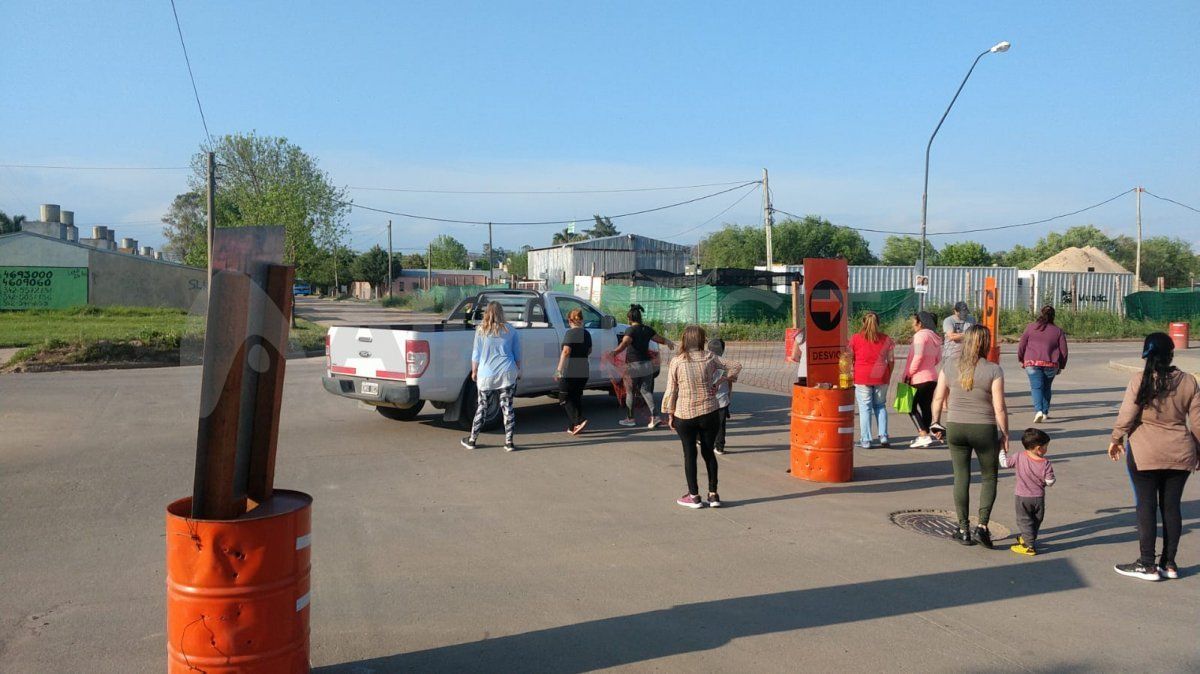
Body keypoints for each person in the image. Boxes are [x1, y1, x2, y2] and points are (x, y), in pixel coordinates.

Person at [1107, 333, 1200, 582]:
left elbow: (1127, 415)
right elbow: (1198, 423)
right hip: (1180, 453)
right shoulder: (1189, 381)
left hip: (1144, 454)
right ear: (1171, 354)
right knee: (1171, 508)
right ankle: (1169, 564)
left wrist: (1116, 439)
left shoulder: (1140, 380)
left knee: (1146, 506)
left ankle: (1147, 564)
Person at [931, 325, 1009, 547]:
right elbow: (999, 408)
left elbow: (938, 399)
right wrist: (1004, 434)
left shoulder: (949, 365)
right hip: (983, 428)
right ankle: (982, 527)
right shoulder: (994, 370)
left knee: (961, 477)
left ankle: (963, 528)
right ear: (985, 344)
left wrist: (935, 424)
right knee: (989, 477)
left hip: (955, 427)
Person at [662, 325, 741, 509]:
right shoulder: (710, 357)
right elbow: (736, 366)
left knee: (689, 454)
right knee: (708, 453)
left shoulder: (677, 361)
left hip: (685, 413)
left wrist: (669, 412)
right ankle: (713, 495)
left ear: (684, 340)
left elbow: (671, 390)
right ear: (702, 339)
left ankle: (694, 496)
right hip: (709, 411)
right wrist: (721, 380)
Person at [461, 301, 521, 452]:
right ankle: (509, 442)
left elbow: (476, 354)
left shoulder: (481, 330)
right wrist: (518, 371)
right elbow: (517, 355)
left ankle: (472, 440)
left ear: (487, 313)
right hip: (507, 372)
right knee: (507, 407)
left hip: (486, 374)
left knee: (482, 406)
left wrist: (474, 371)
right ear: (502, 313)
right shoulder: (511, 330)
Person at [611, 304, 675, 428]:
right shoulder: (647, 329)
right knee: (646, 391)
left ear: (630, 319)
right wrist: (668, 342)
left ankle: (630, 418)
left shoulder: (630, 330)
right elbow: (659, 339)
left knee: (630, 392)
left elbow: (625, 343)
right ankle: (655, 417)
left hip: (633, 366)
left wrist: (614, 352)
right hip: (647, 365)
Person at [1004, 428, 1056, 556]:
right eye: (1046, 446)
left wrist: (1001, 450)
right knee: (1036, 519)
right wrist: (1048, 480)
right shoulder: (1045, 463)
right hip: (1038, 497)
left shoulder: (1018, 456)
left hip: (1022, 497)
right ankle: (1029, 543)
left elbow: (1004, 463)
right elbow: (1050, 481)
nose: (1046, 449)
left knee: (1024, 520)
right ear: (1039, 448)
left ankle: (1028, 542)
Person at [848, 312, 895, 448]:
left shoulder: (855, 338)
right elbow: (891, 360)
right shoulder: (886, 339)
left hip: (862, 376)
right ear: (878, 323)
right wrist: (888, 374)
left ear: (863, 323)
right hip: (881, 376)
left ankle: (866, 440)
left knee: (865, 408)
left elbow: (849, 357)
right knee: (880, 406)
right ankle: (884, 436)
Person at [1017, 305, 1068, 423]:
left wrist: (1021, 359)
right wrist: (1061, 365)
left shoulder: (1030, 327)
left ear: (1040, 314)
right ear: (1053, 316)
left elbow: (1022, 345)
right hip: (1051, 364)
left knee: (1036, 387)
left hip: (1032, 362)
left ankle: (1038, 410)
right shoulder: (1058, 331)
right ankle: (1045, 412)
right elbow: (1064, 351)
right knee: (1046, 387)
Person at [903, 311, 943, 447]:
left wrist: (909, 373)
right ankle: (925, 436)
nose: (913, 325)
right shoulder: (935, 337)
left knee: (910, 406)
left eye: (915, 322)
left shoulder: (920, 336)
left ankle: (923, 434)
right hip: (932, 377)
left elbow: (918, 356)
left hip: (918, 378)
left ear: (921, 323)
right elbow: (938, 359)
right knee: (925, 407)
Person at [554, 308, 592, 435]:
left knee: (564, 397)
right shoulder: (586, 334)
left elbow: (566, 351)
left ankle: (579, 420)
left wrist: (558, 370)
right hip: (584, 369)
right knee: (575, 397)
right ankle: (572, 427)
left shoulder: (570, 333)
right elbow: (589, 351)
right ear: (581, 320)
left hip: (570, 370)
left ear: (569, 320)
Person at [707, 338, 732, 455]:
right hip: (722, 399)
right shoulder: (727, 364)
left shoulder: (704, 362)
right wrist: (729, 396)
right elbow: (730, 381)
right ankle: (719, 446)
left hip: (708, 399)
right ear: (722, 350)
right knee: (721, 425)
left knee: (704, 422)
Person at [942, 301, 975, 367]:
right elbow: (951, 337)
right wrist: (969, 335)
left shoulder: (971, 319)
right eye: (962, 313)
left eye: (966, 312)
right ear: (956, 311)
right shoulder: (948, 320)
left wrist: (958, 335)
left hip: (967, 355)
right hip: (951, 355)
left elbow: (975, 334)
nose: (965, 314)